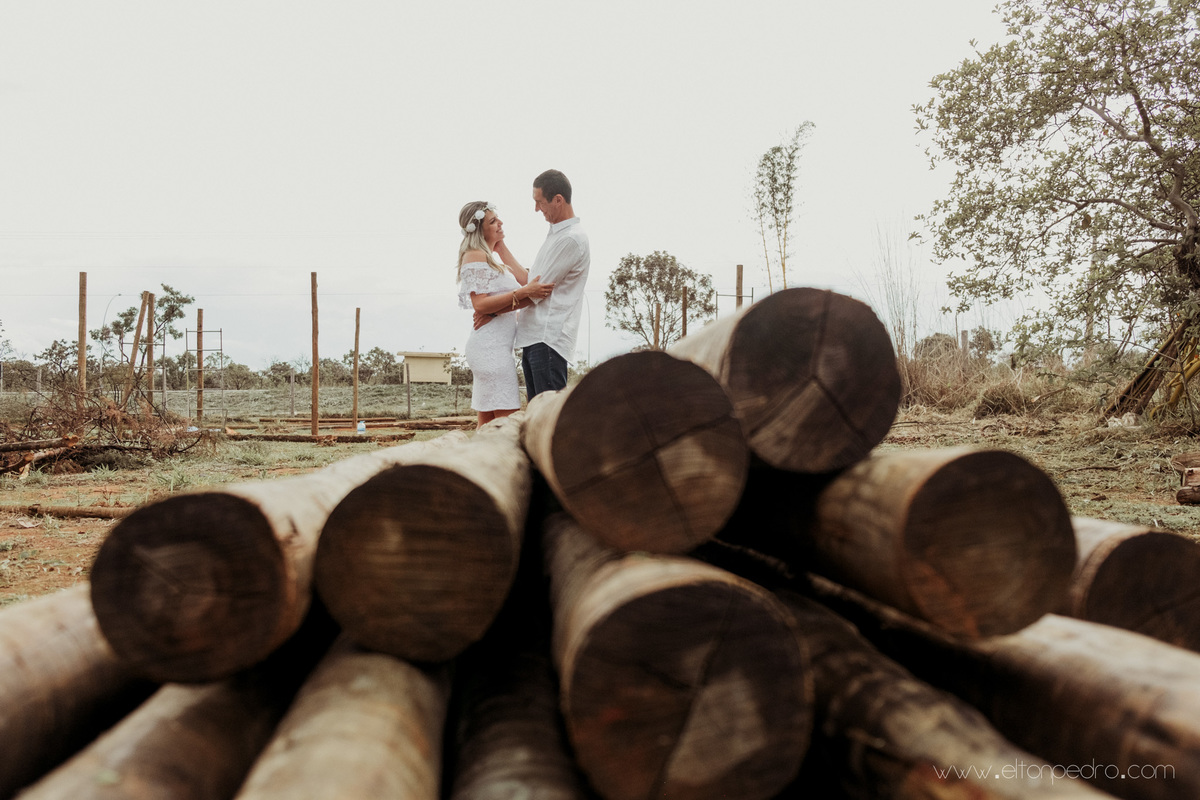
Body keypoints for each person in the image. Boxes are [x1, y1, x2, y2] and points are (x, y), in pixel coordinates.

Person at [475, 169, 590, 401]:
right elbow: (531, 284)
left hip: (547, 338)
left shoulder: (570, 238)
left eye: (540, 202)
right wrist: (500, 248)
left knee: (546, 416)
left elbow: (536, 293)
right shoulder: (556, 235)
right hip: (535, 338)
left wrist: (491, 311)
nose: (537, 209)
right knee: (537, 413)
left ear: (558, 200)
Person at [456, 200, 552, 428]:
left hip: (494, 347)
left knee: (488, 426)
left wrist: (501, 247)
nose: (500, 222)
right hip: (490, 349)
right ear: (479, 230)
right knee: (507, 427)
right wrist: (522, 293)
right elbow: (480, 304)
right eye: (493, 221)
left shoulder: (491, 259)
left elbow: (528, 282)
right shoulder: (475, 255)